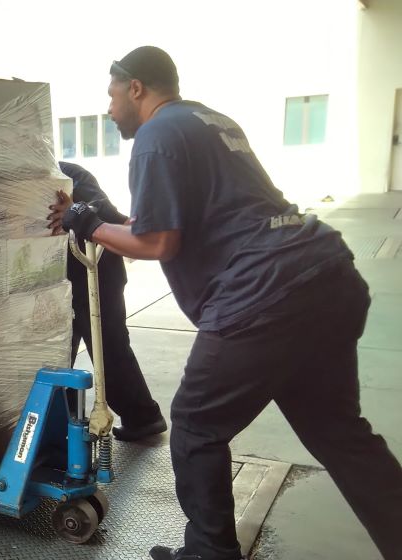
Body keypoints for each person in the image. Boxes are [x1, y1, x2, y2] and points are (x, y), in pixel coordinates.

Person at [51, 46, 402, 560]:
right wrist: (91, 216)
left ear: (136, 88)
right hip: (325, 274)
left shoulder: (155, 136)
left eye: (110, 95)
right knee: (339, 432)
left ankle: (209, 554)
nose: (108, 110)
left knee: (194, 426)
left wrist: (89, 225)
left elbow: (157, 244)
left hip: (266, 296)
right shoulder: (209, 121)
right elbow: (168, 224)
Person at [51, 162, 166, 441]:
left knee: (108, 346)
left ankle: (142, 417)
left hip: (97, 272)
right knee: (57, 352)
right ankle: (62, 425)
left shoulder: (68, 174)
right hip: (58, 279)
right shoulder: (14, 179)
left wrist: (74, 210)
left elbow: (108, 215)